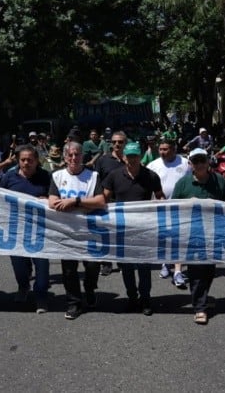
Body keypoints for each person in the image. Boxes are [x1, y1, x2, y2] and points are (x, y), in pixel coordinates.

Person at [170, 148, 225, 324]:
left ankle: (202, 298)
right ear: (190, 164)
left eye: (202, 160)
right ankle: (200, 307)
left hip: (214, 233)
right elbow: (174, 207)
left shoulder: (219, 181)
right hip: (192, 235)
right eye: (195, 161)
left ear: (208, 162)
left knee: (209, 271)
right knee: (196, 271)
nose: (199, 164)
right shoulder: (183, 184)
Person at [102, 141, 164, 316]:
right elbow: (104, 199)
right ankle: (132, 298)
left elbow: (161, 198)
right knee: (127, 267)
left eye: (135, 156)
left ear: (140, 155)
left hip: (144, 229)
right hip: (122, 229)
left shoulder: (151, 176)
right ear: (124, 157)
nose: (132, 160)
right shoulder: (114, 176)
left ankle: (145, 300)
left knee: (144, 267)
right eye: (129, 156)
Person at [48, 141, 107, 320]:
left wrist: (75, 202)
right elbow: (52, 202)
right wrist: (76, 204)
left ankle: (89, 288)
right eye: (70, 155)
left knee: (92, 265)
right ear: (65, 157)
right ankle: (74, 302)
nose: (74, 158)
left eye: (77, 154)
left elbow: (100, 201)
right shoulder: (57, 176)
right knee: (69, 270)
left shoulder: (93, 176)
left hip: (90, 230)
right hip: (66, 231)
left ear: (83, 156)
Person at [0, 145, 52, 314]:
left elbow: (55, 197)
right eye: (23, 160)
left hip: (40, 229)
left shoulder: (46, 177)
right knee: (19, 265)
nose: (26, 163)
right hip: (16, 229)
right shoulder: (9, 177)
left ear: (37, 161)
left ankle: (41, 296)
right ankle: (23, 287)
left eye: (30, 160)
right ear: (18, 161)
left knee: (42, 264)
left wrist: (48, 199)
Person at [146, 138, 192, 287]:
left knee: (178, 238)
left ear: (174, 149)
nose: (162, 152)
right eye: (160, 149)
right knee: (164, 237)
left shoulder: (185, 163)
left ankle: (178, 271)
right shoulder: (153, 165)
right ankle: (166, 262)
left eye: (166, 149)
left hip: (181, 207)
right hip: (159, 207)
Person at [93, 130, 130, 277]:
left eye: (120, 142)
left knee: (122, 235)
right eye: (114, 142)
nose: (117, 144)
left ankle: (122, 262)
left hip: (125, 203)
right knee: (106, 235)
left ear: (125, 143)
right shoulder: (103, 160)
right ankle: (106, 263)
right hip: (107, 202)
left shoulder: (131, 159)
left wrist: (128, 162)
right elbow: (96, 180)